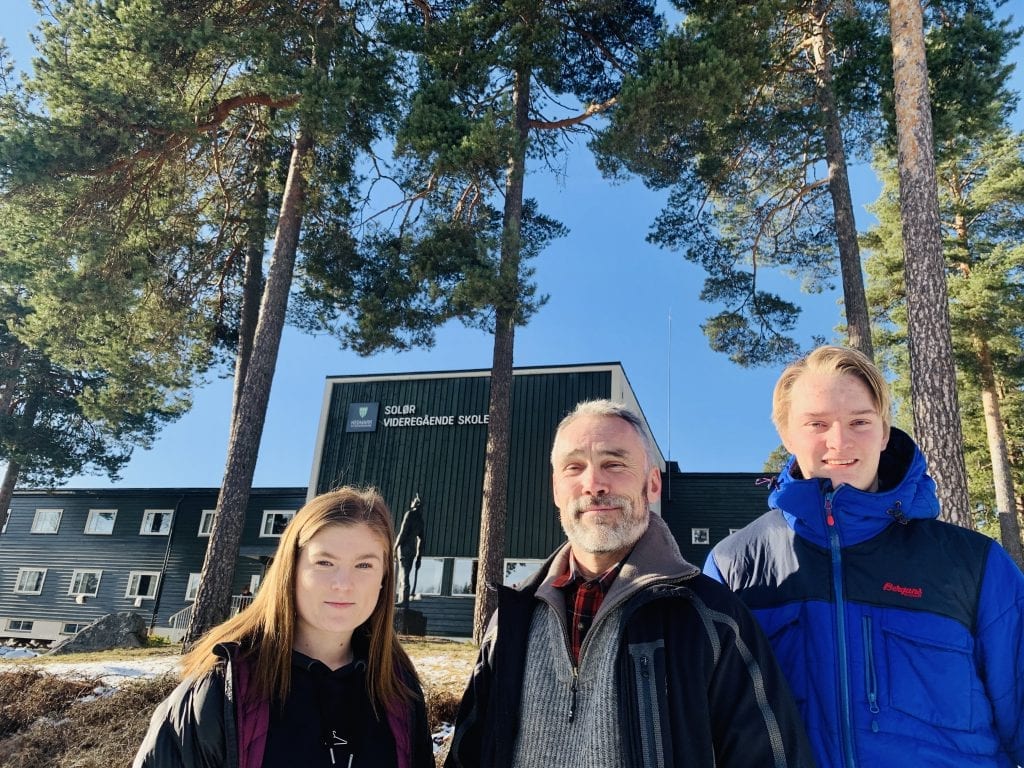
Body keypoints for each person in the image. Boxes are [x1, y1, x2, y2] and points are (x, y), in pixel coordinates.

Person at [445, 399, 815, 768]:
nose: (594, 484)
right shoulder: (511, 622)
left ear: (652, 484)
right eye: (575, 467)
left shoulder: (713, 619)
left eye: (614, 464)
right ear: (557, 489)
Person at [704, 345, 1024, 768]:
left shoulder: (974, 564)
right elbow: (711, 725)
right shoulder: (735, 566)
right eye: (817, 424)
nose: (839, 441)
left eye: (859, 421)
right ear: (786, 434)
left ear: (885, 431)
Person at [134, 487, 435, 768]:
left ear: (384, 578)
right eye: (324, 563)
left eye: (364, 565)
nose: (344, 584)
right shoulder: (219, 692)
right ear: (291, 570)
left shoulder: (400, 692)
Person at [395, 494, 425, 607]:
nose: (411, 501)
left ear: (416, 503)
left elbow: (402, 533)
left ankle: (404, 601)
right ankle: (403, 599)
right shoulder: (420, 521)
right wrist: (419, 556)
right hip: (412, 549)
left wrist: (395, 546)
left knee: (403, 574)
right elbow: (422, 540)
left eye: (413, 500)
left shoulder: (410, 514)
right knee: (406, 573)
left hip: (404, 547)